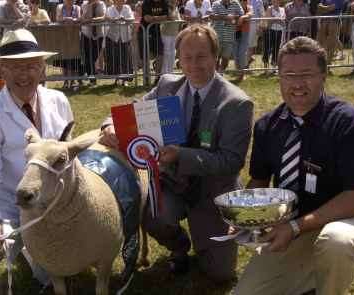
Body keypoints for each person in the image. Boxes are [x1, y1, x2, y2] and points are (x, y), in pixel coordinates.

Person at [100, 24, 254, 282]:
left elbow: (231, 161)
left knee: (220, 274)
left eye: (202, 56)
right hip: (170, 183)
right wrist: (110, 125)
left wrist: (181, 156)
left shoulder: (236, 103)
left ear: (216, 56)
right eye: (187, 57)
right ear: (178, 58)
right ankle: (179, 246)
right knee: (151, 214)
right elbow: (131, 111)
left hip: (212, 192)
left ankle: (207, 239)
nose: (194, 64)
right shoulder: (166, 86)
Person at [233, 36, 354, 295]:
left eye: (307, 74)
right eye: (289, 74)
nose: (298, 83)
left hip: (343, 219)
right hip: (291, 226)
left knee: (337, 243)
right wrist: (243, 216)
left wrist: (295, 227)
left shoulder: (350, 123)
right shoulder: (268, 126)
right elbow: (258, 181)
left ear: (324, 76)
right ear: (279, 77)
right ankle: (310, 274)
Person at [0, 28, 73, 295]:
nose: (23, 75)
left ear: (42, 68)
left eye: (30, 66)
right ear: (2, 71)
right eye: (14, 67)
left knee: (61, 271)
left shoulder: (59, 101)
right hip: (11, 207)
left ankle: (41, 260)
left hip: (55, 204)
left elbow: (68, 154)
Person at [210, 0, 243, 74]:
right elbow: (212, 16)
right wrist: (226, 17)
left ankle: (220, 74)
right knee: (215, 58)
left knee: (226, 58)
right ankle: (215, 75)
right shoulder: (216, 4)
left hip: (229, 36)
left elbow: (241, 14)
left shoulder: (235, 3)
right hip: (217, 36)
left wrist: (233, 17)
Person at [56, 0, 82, 89]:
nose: (69, 1)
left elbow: (79, 18)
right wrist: (66, 19)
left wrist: (73, 19)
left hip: (74, 36)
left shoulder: (77, 7)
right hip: (63, 36)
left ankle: (72, 80)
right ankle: (66, 81)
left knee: (74, 58)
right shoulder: (59, 7)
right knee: (64, 59)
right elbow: (58, 18)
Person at [80, 0, 106, 86]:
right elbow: (83, 18)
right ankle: (92, 78)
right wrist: (89, 6)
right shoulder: (84, 4)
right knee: (88, 57)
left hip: (98, 34)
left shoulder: (101, 4)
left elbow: (103, 17)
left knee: (94, 56)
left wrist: (93, 20)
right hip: (87, 34)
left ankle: (91, 75)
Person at [316, 0, 344, 66]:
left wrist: (324, 9)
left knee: (331, 43)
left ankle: (328, 64)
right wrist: (327, 8)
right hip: (324, 20)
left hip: (334, 21)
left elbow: (331, 8)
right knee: (321, 42)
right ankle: (321, 63)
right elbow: (319, 6)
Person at [262, 0, 285, 70]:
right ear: (272, 1)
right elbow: (269, 21)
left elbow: (283, 21)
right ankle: (265, 66)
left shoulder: (282, 9)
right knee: (267, 48)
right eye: (274, 1)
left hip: (279, 31)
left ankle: (274, 67)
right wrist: (277, 20)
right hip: (270, 31)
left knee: (276, 49)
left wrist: (275, 19)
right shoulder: (269, 8)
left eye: (277, 1)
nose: (276, 2)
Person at [160, 0, 182, 74]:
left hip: (174, 34)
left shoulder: (176, 8)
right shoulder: (167, 7)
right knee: (166, 53)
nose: (175, 1)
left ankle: (170, 71)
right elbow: (171, 17)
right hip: (166, 33)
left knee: (173, 53)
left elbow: (179, 21)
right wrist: (172, 8)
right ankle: (164, 73)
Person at [232, 0, 251, 81]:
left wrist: (242, 17)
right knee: (236, 53)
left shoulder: (249, 7)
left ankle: (242, 73)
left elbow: (250, 14)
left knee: (242, 53)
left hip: (245, 33)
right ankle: (238, 73)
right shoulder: (234, 8)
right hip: (235, 32)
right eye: (242, 1)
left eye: (245, 1)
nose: (244, 2)